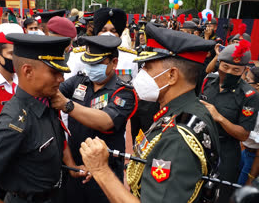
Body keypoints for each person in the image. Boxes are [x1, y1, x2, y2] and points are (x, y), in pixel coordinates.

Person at [79, 22, 220, 203]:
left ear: (172, 76)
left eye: (148, 67)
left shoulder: (177, 138)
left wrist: (101, 170)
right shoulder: (185, 111)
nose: (142, 73)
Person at [0, 33, 90, 203]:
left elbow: (57, 140)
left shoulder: (47, 100)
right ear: (28, 71)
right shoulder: (14, 122)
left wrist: (72, 167)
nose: (61, 79)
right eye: (54, 72)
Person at [51, 35, 137, 203]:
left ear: (114, 63)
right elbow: (54, 92)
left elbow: (105, 121)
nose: (92, 68)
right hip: (76, 167)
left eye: (97, 64)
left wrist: (68, 106)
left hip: (105, 173)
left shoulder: (123, 92)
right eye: (89, 63)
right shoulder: (80, 81)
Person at [200, 40, 259, 202]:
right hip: (201, 146)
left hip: (225, 153)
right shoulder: (209, 81)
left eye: (236, 70)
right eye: (225, 67)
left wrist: (219, 117)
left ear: (245, 70)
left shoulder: (249, 96)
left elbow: (243, 134)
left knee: (220, 195)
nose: (229, 72)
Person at [69, 8, 138, 83]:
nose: (108, 34)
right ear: (97, 33)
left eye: (113, 31)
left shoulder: (131, 59)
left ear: (119, 34)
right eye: (103, 31)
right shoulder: (78, 56)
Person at [238, 66, 259, 185]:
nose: (244, 84)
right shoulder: (249, 100)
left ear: (257, 85)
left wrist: (251, 178)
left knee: (241, 189)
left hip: (254, 158)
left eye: (247, 81)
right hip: (245, 151)